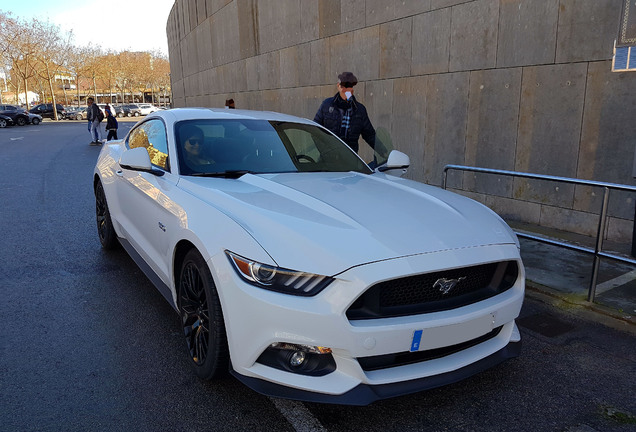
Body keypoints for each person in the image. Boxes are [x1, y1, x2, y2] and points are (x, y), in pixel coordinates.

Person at [313, 72, 376, 153]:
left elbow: (370, 135)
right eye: (343, 86)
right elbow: (315, 130)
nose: (345, 90)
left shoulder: (359, 110)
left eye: (348, 87)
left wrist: (385, 152)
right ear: (338, 86)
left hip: (349, 160)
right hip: (328, 158)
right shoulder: (326, 105)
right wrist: (323, 151)